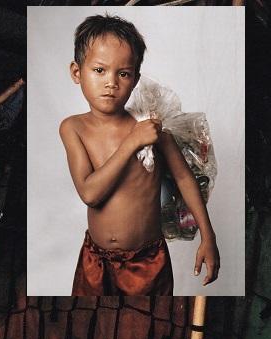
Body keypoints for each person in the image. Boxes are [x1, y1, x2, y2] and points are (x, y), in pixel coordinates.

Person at [59, 14, 220, 296]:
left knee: (145, 320)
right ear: (77, 72)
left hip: (147, 261)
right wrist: (131, 142)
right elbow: (90, 193)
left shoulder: (151, 128)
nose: (111, 82)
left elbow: (185, 179)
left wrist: (209, 237)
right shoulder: (73, 128)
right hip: (94, 259)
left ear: (135, 79)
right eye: (99, 70)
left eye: (123, 73)